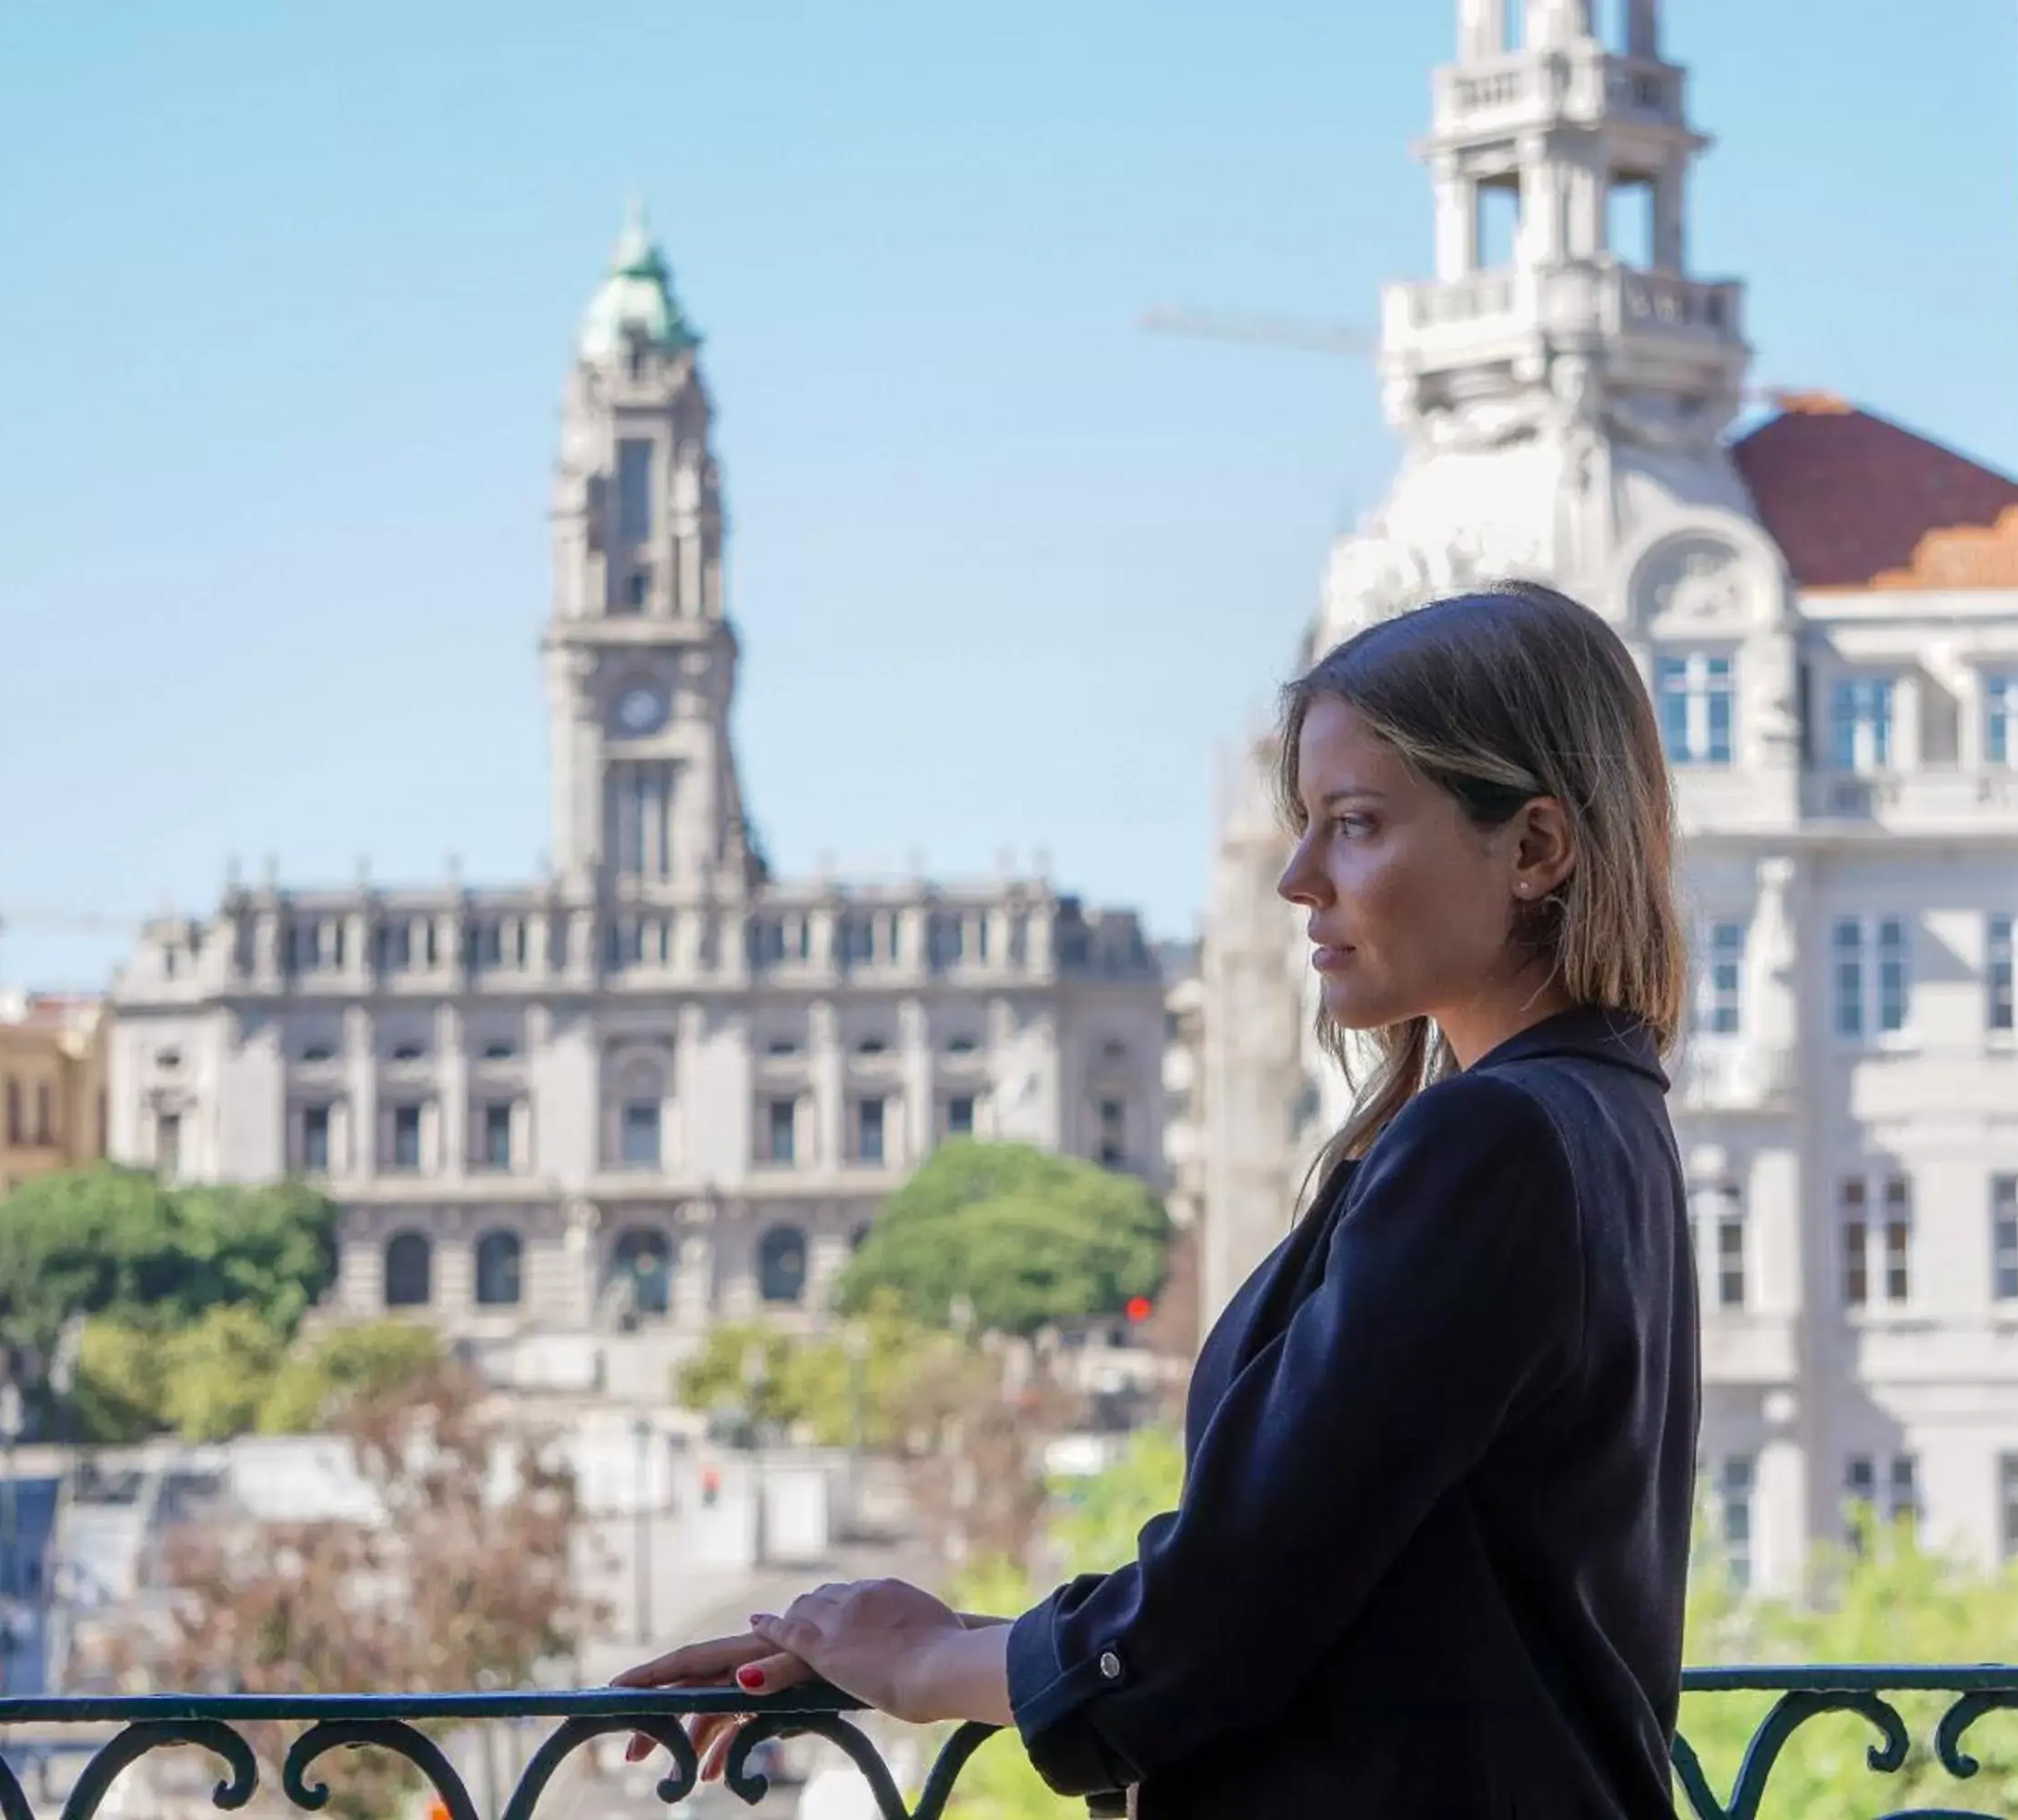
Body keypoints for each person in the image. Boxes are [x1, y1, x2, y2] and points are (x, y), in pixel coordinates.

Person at [619, 583, 1700, 1817]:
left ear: (1536, 848)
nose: (1298, 878)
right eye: (1305, 825)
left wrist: (927, 1661)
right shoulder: (1606, 1116)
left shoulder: (1490, 1140)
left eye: (1353, 825)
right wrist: (936, 1641)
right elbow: (1372, 1588)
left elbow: (1236, 1607)